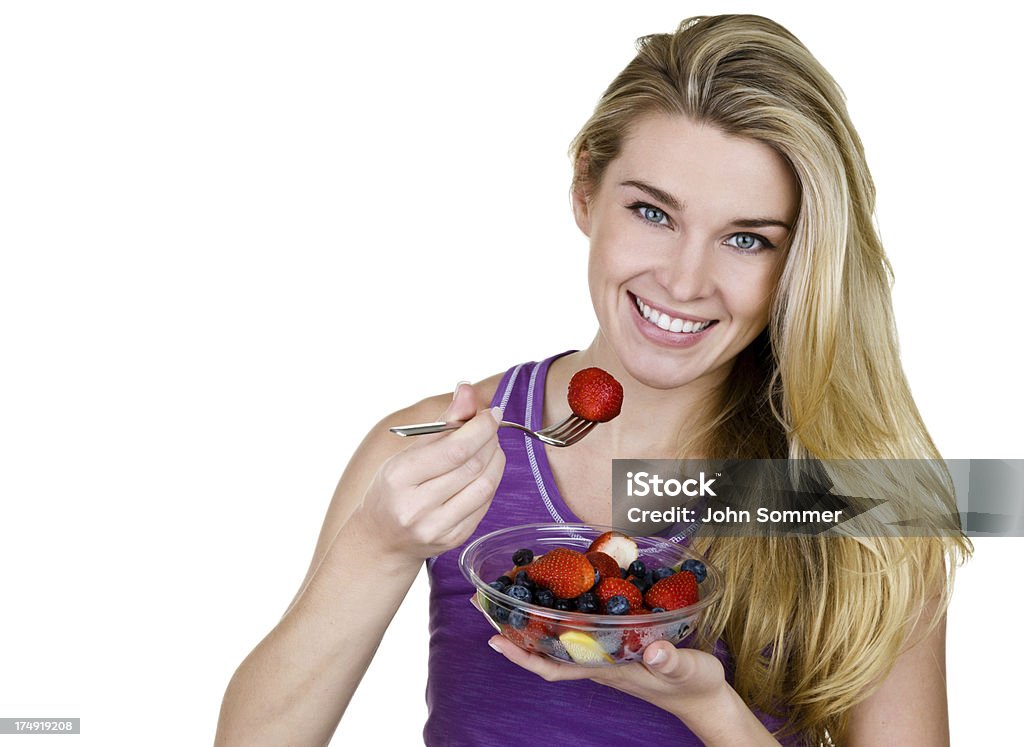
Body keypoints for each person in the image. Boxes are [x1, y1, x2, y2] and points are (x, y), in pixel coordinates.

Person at [215, 14, 970, 746]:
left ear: (798, 262)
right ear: (585, 192)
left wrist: (716, 712)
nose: (684, 279)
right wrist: (376, 547)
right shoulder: (427, 454)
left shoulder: (865, 500)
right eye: (653, 211)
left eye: (746, 238)